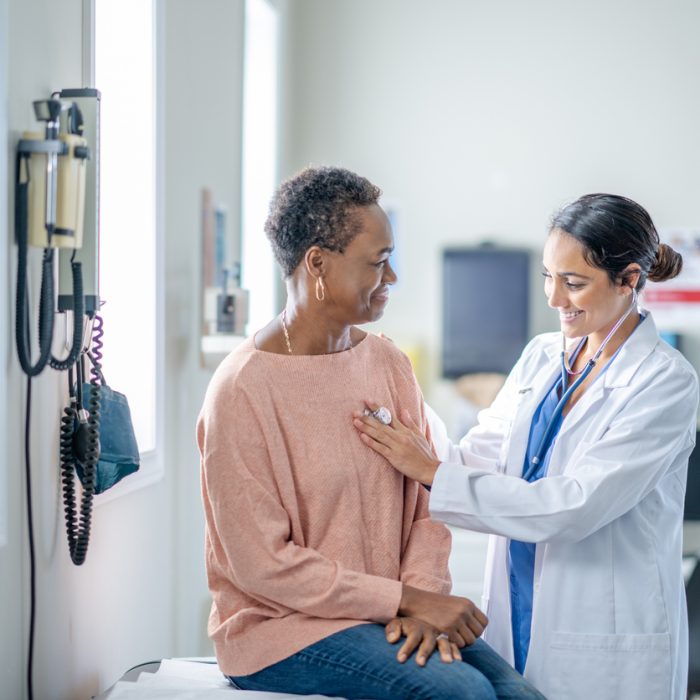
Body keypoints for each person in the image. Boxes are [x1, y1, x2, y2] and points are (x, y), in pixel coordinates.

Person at [197, 166, 545, 699]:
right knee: (463, 693)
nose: (393, 278)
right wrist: (401, 600)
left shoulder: (386, 363)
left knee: (519, 694)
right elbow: (263, 565)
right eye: (378, 262)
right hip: (282, 628)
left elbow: (425, 505)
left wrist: (422, 597)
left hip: (387, 612)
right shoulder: (241, 391)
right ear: (318, 263)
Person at [353, 193, 700, 700]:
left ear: (628, 280)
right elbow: (475, 458)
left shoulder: (665, 382)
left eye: (574, 283)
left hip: (606, 638)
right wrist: (397, 391)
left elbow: (573, 506)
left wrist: (432, 473)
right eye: (547, 276)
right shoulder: (542, 356)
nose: (554, 299)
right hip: (517, 616)